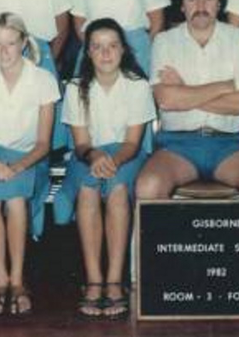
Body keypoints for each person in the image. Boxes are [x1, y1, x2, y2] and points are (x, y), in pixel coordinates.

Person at [135, 0, 239, 199]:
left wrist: (185, 90)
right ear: (182, 5)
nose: (200, 5)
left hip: (231, 145)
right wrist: (227, 85)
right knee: (148, 186)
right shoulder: (164, 42)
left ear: (219, 4)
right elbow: (167, 100)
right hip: (177, 145)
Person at [54, 18, 156, 319]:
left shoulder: (137, 86)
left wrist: (113, 161)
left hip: (126, 155)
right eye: (97, 47)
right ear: (87, 52)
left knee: (117, 189)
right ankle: (94, 279)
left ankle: (114, 280)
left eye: (112, 46)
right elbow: (81, 143)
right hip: (87, 155)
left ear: (123, 50)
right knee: (87, 190)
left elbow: (133, 143)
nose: (106, 53)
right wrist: (95, 156)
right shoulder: (76, 88)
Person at [0, 13, 60, 317]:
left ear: (24, 43)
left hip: (28, 157)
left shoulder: (43, 80)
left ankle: (19, 280)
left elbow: (44, 144)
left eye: (11, 43)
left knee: (16, 200)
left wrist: (17, 167)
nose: (4, 51)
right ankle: (0, 279)